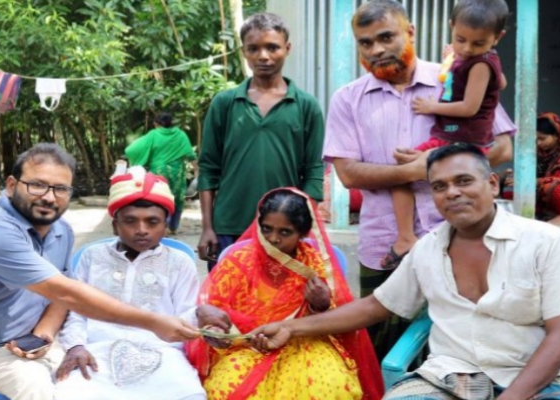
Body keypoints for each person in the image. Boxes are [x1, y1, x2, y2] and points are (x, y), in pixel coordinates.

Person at [252, 144, 560, 400]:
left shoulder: (547, 243)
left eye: (463, 181)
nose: (452, 192)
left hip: (538, 380)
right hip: (449, 378)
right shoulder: (428, 249)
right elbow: (375, 307)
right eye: (439, 186)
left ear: (492, 184)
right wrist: (290, 327)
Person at [0, 143, 198, 400]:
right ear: (12, 186)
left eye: (60, 188)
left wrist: (44, 334)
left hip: (6, 351)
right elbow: (67, 292)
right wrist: (153, 321)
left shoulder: (61, 231)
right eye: (37, 185)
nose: (49, 197)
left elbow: (60, 295)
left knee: (51, 391)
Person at [322, 0, 517, 360]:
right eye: (366, 42)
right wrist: (417, 170)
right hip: (384, 249)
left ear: (409, 32)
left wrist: (441, 166)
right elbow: (348, 174)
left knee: (464, 355)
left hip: (460, 242)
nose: (377, 49)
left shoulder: (456, 75)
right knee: (384, 354)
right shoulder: (347, 99)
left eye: (386, 37)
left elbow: (502, 147)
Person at [186, 188, 384, 400]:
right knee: (226, 389)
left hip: (305, 342)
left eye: (285, 232)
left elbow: (338, 319)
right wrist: (216, 328)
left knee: (328, 387)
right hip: (248, 346)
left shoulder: (314, 264)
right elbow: (215, 309)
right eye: (267, 229)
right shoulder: (238, 261)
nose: (273, 238)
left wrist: (320, 304)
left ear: (303, 233)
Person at [54, 167, 206, 400]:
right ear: (115, 225)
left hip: (163, 353)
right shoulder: (92, 257)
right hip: (96, 352)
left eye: (152, 222)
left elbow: (184, 317)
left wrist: (201, 315)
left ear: (166, 225)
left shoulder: (179, 262)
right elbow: (77, 312)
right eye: (130, 221)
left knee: (189, 394)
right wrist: (75, 346)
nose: (141, 230)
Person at [197, 12, 325, 270]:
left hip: (284, 231)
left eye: (272, 47)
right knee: (228, 294)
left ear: (287, 48)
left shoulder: (306, 106)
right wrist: (208, 227)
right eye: (254, 48)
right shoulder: (225, 103)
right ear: (244, 51)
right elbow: (208, 169)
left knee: (280, 295)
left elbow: (313, 171)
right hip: (229, 226)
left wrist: (300, 227)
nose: (263, 56)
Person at [389, 0, 509, 265]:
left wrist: (431, 106)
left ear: (498, 37)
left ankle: (406, 237)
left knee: (401, 174)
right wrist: (455, 60)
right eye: (460, 40)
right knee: (409, 167)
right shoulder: (483, 59)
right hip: (456, 135)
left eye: (478, 43)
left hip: (460, 136)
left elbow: (469, 107)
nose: (467, 49)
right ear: (452, 26)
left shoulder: (479, 65)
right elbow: (502, 82)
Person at [502, 112, 560, 225]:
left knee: (553, 185)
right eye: (535, 139)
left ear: (556, 136)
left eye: (542, 138)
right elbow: (532, 174)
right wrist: (515, 178)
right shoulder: (539, 152)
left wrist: (529, 181)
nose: (538, 143)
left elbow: (557, 180)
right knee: (509, 186)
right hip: (544, 195)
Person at [125, 112, 197, 235]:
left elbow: (131, 149)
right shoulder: (180, 134)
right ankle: (173, 226)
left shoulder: (153, 134)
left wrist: (139, 160)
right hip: (177, 172)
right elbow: (190, 155)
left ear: (156, 123)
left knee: (160, 198)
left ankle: (162, 226)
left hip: (158, 172)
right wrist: (197, 171)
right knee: (177, 198)